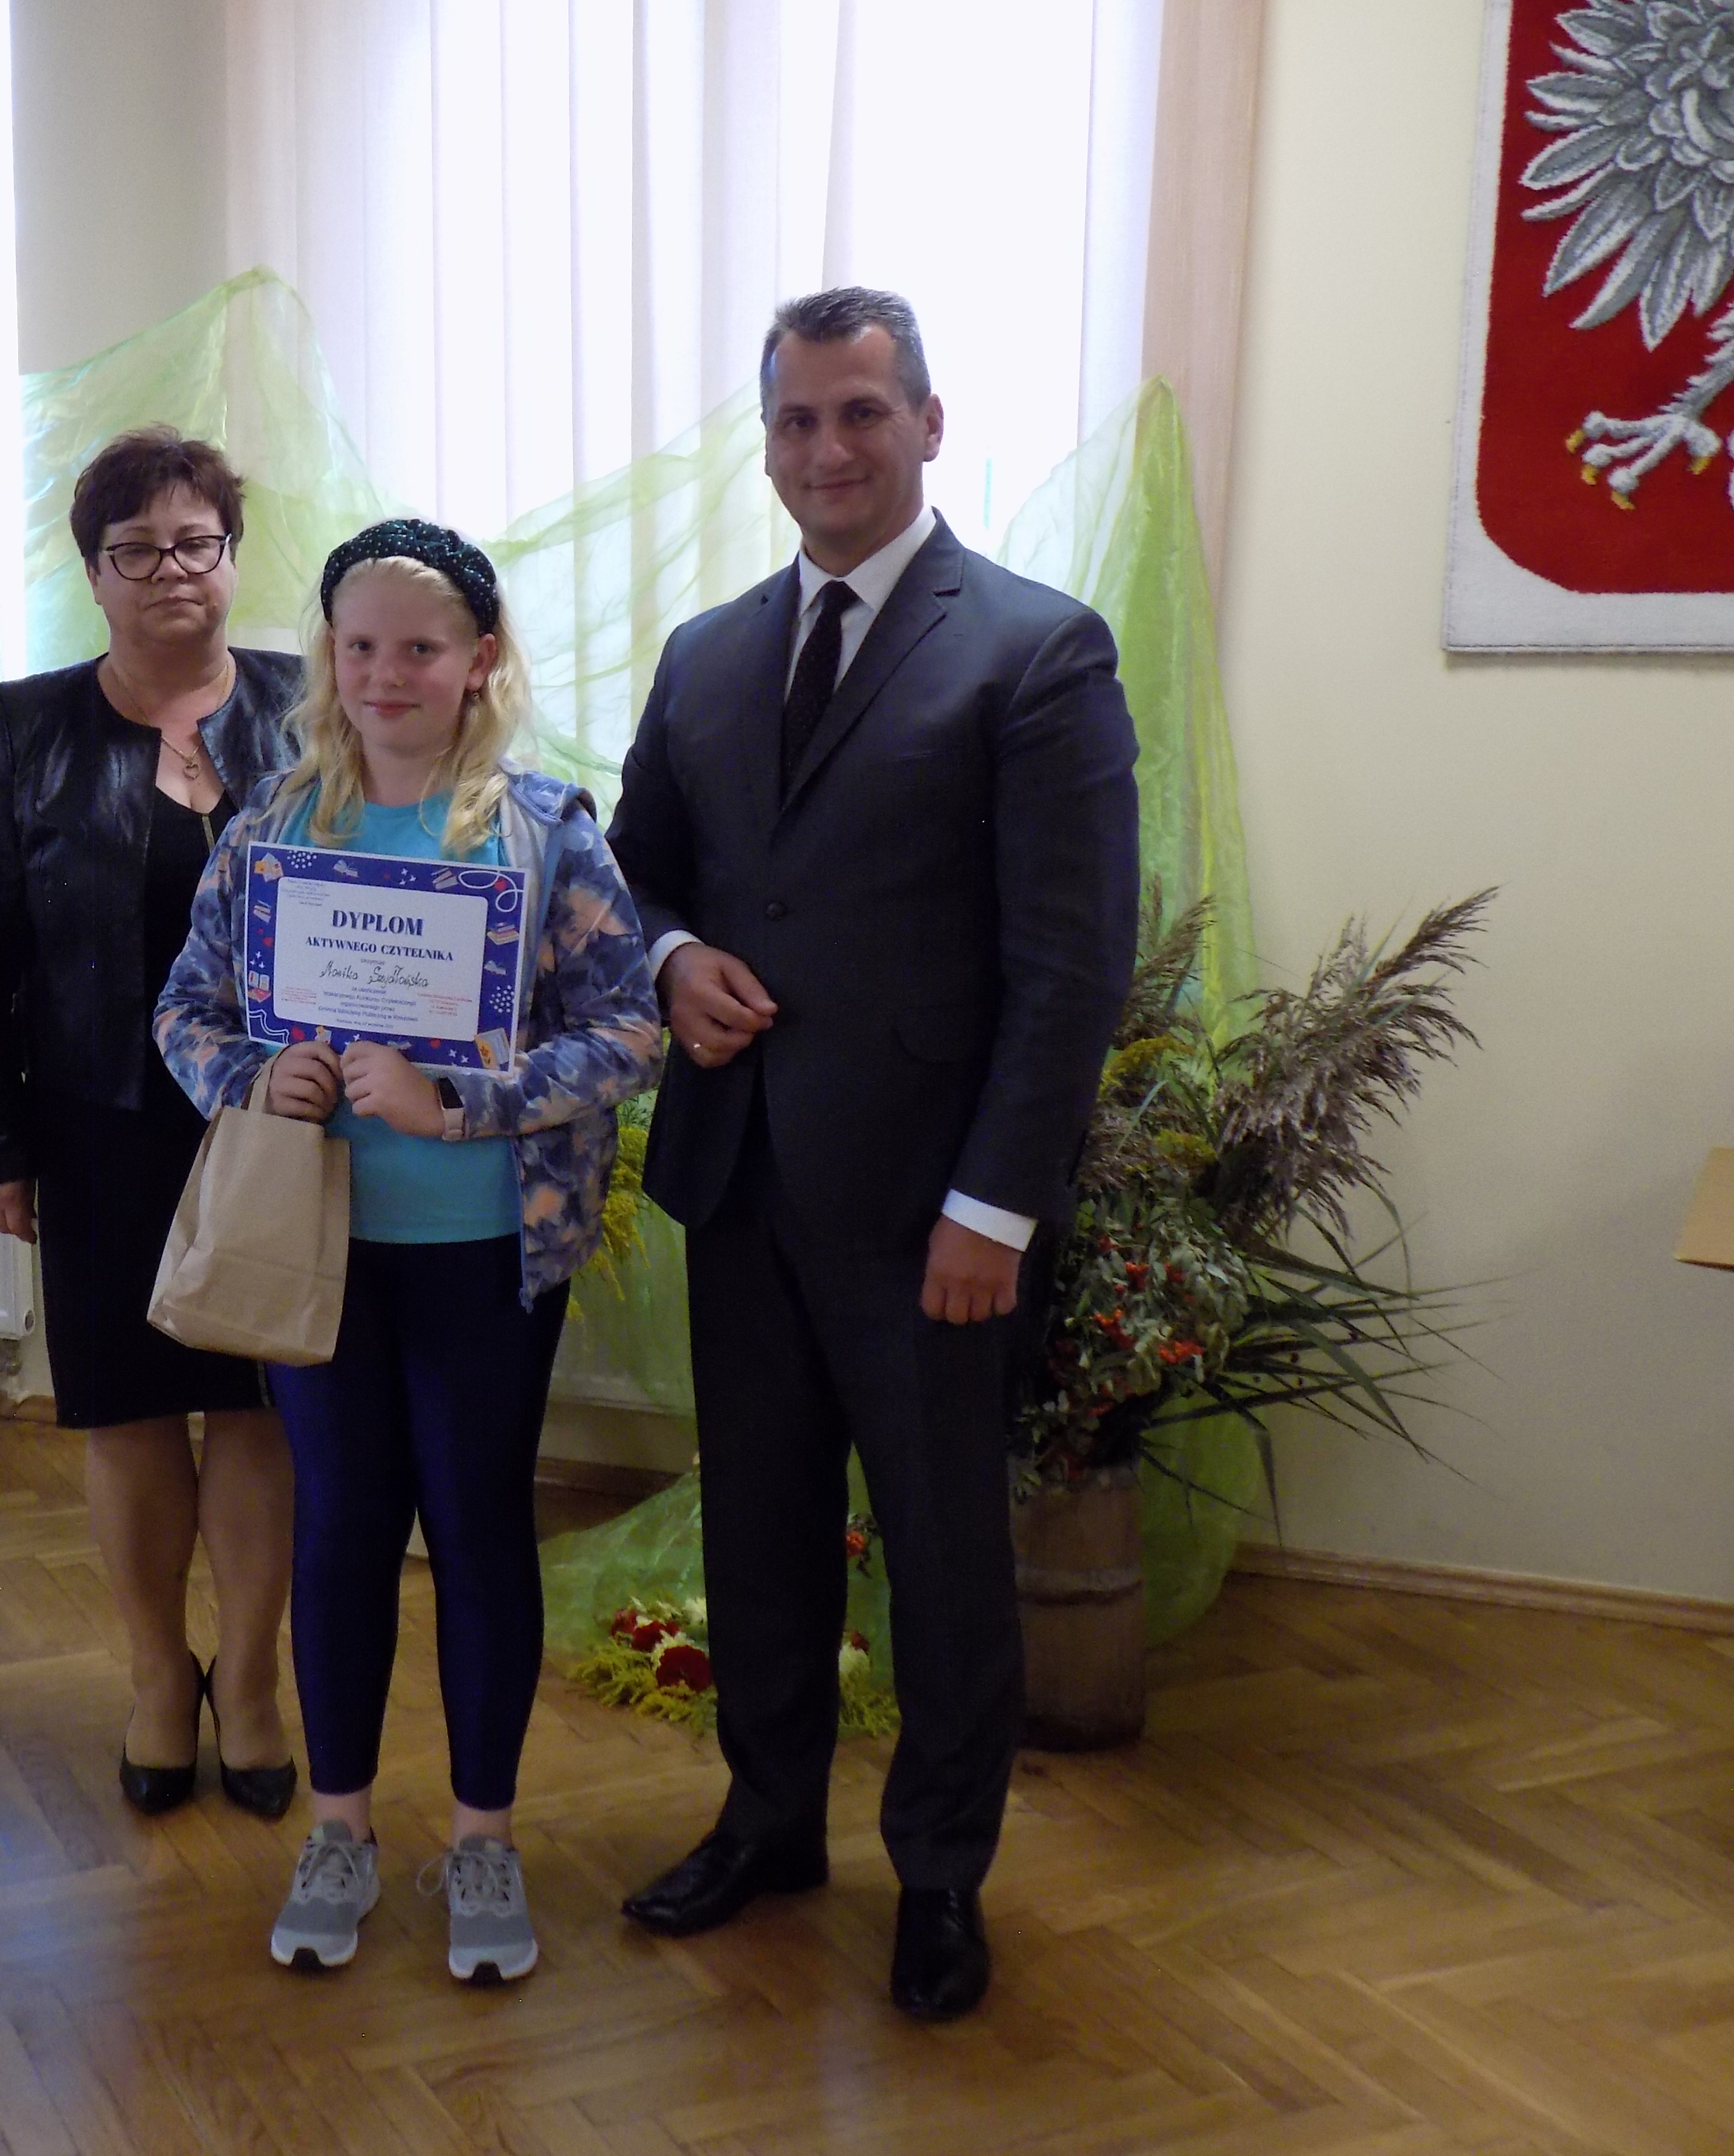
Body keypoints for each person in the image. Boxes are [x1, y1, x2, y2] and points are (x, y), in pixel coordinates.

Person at [604, 288, 1140, 2020]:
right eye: (796, 420)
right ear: (766, 442)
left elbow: (1071, 966)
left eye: (860, 412)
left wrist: (996, 1207)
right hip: (740, 1182)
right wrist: (673, 959)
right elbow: (634, 872)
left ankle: (941, 1876)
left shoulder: (1038, 652)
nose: (827, 449)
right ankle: (769, 1824)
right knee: (760, 1530)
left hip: (933, 1213)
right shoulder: (706, 655)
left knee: (941, 1552)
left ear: (925, 423)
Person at [155, 519, 662, 1985]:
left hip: (486, 1255)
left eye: (420, 648)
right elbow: (185, 1012)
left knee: (480, 1529)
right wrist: (260, 1076)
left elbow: (629, 1033)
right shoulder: (274, 827)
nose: (387, 673)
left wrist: (463, 1104)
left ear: (478, 661)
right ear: (331, 657)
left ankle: (484, 1839)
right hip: (318, 1249)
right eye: (360, 645)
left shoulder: (541, 830)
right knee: (340, 1530)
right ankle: (340, 1829)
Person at [0, 427, 303, 1820]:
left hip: (276, 1124)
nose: (169, 571)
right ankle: (157, 1676)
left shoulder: (308, 706)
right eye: (133, 549)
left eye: (194, 542)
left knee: (259, 1408)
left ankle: (250, 1681)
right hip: (96, 1121)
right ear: (92, 573)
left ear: (230, 557)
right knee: (130, 1411)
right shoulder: (25, 727)